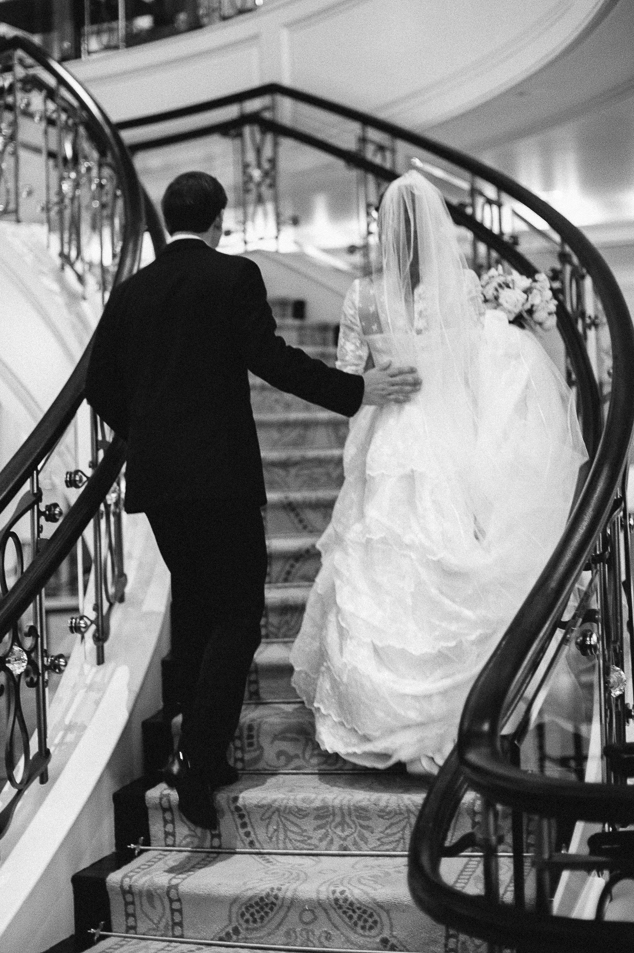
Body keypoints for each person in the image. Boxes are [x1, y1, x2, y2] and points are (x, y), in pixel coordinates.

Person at [84, 170, 421, 829]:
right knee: (238, 613)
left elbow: (100, 386)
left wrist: (145, 433)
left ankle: (195, 742)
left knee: (199, 608)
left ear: (171, 217)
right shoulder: (231, 277)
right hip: (221, 477)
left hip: (158, 484)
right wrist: (358, 391)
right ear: (218, 220)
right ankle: (197, 761)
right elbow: (273, 360)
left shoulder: (129, 291)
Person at [291, 170, 588, 774]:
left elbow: (351, 376)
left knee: (382, 557)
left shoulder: (362, 295)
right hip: (451, 435)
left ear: (384, 229)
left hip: (391, 437)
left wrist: (377, 384)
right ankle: (457, 715)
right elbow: (476, 368)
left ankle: (383, 717)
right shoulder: (465, 285)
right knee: (450, 550)